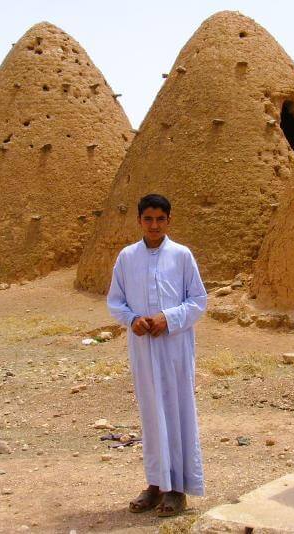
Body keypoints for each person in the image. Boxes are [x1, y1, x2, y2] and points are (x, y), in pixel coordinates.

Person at [107, 193, 207, 517]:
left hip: (175, 349)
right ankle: (154, 484)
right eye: (147, 219)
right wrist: (133, 320)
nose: (153, 225)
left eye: (159, 219)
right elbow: (115, 301)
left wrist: (168, 318)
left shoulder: (182, 256)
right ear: (139, 220)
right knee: (151, 416)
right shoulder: (126, 258)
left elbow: (198, 301)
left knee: (178, 413)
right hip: (143, 349)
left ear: (168, 220)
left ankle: (177, 490)